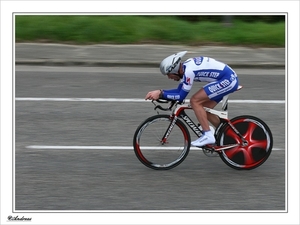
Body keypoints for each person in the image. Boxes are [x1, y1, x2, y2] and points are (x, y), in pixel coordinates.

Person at [145, 51, 239, 147]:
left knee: (195, 101)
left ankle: (208, 135)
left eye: (169, 74)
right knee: (204, 109)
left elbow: (181, 96)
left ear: (175, 70)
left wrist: (160, 93)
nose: (169, 77)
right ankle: (226, 135)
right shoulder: (185, 68)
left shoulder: (189, 71)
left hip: (228, 79)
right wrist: (161, 93)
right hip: (225, 78)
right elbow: (179, 91)